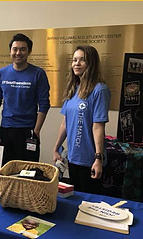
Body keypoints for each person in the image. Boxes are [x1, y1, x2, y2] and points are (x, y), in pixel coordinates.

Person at [53, 45, 110, 194]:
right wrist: (56, 148)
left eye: (82, 60)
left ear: (91, 63)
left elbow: (98, 126)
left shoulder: (99, 90)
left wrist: (98, 158)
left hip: (89, 159)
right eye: (74, 60)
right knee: (75, 197)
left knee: (89, 202)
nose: (76, 64)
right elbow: (65, 123)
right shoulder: (73, 89)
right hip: (73, 157)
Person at [0, 33, 50, 165]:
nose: (18, 53)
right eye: (15, 49)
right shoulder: (2, 73)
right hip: (6, 129)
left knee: (27, 171)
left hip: (27, 130)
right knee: (6, 169)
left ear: (29, 51)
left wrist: (36, 131)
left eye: (23, 49)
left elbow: (44, 104)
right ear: (10, 51)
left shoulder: (38, 74)